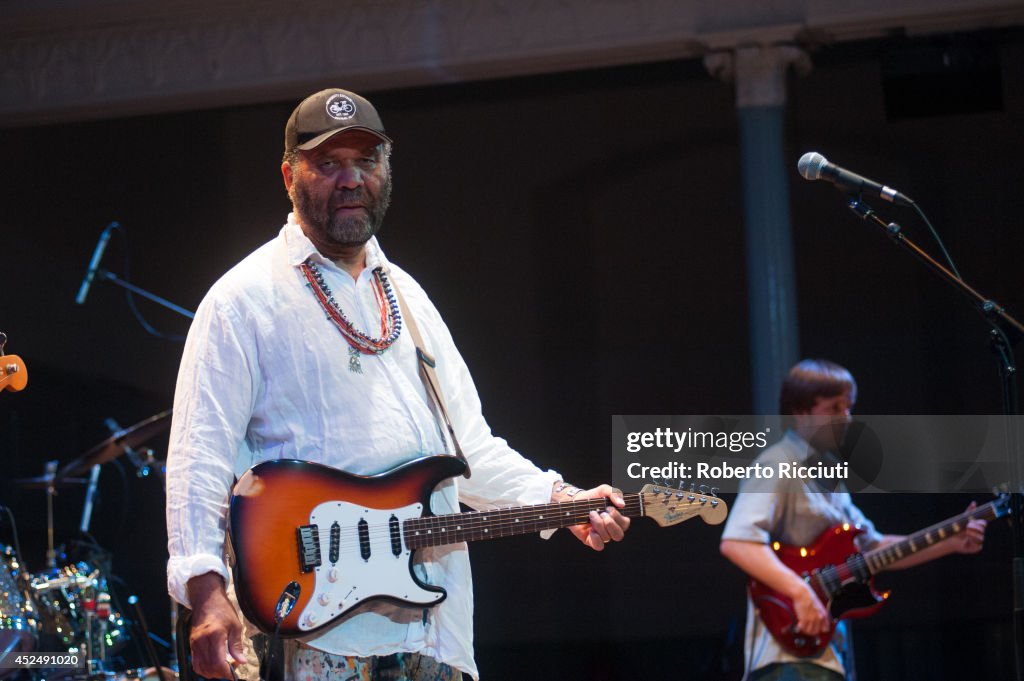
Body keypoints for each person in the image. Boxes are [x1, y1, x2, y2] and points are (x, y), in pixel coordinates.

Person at [165, 88, 630, 681]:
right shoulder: (244, 300)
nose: (351, 179)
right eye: (328, 163)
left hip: (435, 633)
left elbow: (469, 452)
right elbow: (197, 455)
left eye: (367, 161)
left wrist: (560, 502)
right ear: (289, 176)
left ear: (387, 170)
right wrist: (205, 591)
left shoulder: (410, 301)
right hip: (317, 633)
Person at [719, 359, 987, 681]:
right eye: (834, 408)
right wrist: (801, 593)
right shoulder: (776, 463)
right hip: (786, 654)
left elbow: (872, 548)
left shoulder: (830, 475)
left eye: (849, 407)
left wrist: (950, 541)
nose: (846, 417)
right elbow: (738, 541)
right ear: (800, 411)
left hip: (830, 652)